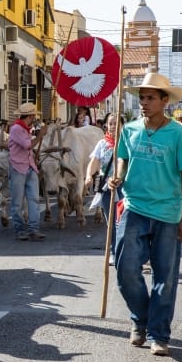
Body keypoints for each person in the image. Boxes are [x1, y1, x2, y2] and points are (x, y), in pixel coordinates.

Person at [107, 72, 182, 356]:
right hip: (134, 208)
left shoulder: (179, 133)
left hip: (168, 213)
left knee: (165, 277)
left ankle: (158, 334)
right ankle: (140, 319)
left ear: (164, 101)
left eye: (150, 98)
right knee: (125, 270)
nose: (144, 103)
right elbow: (122, 159)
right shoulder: (130, 129)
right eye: (142, 98)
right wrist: (117, 176)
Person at [84, 112, 123, 264]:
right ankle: (113, 252)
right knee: (111, 222)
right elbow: (94, 162)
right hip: (107, 187)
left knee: (124, 221)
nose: (113, 126)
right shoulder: (102, 144)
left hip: (124, 187)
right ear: (106, 125)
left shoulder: (127, 143)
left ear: (122, 125)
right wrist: (88, 176)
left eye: (116, 123)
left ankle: (126, 251)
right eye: (110, 123)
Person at [8, 102, 46, 241]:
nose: (34, 119)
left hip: (29, 166)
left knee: (34, 199)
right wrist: (40, 136)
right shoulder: (16, 129)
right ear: (29, 117)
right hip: (18, 167)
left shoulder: (25, 129)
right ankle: (19, 230)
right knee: (17, 202)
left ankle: (33, 229)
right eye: (33, 117)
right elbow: (28, 145)